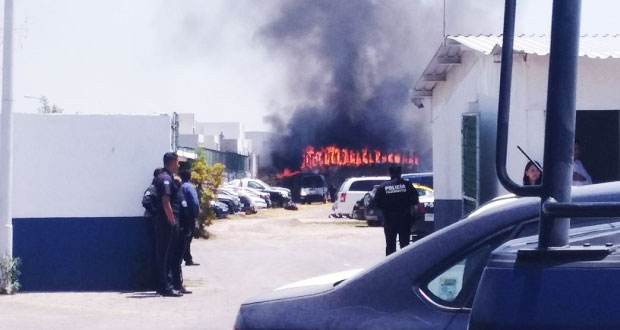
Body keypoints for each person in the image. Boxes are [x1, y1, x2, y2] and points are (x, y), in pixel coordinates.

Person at [153, 152, 186, 297]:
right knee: (165, 255)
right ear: (172, 162)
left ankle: (166, 285)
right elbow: (165, 201)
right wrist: (172, 220)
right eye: (177, 162)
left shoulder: (168, 177)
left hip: (167, 221)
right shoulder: (165, 179)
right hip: (167, 222)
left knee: (167, 254)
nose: (178, 165)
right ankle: (165, 286)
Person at [374, 165, 420, 256]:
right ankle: (406, 264)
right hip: (405, 220)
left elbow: (376, 204)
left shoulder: (383, 187)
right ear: (400, 173)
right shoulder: (407, 185)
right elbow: (415, 204)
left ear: (389, 173)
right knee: (405, 244)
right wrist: (413, 218)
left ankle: (391, 265)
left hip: (389, 220)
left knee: (390, 245)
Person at [180, 170, 201, 266]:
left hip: (183, 215)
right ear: (190, 177)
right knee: (187, 237)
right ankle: (185, 258)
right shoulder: (189, 187)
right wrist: (196, 214)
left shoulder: (180, 186)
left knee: (185, 237)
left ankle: (187, 258)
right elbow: (194, 202)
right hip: (189, 215)